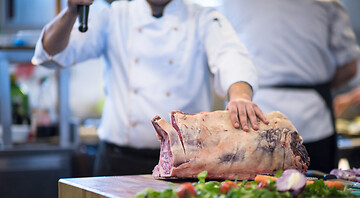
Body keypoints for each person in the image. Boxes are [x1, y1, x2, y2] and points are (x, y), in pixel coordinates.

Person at [32, 0, 268, 176]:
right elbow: (52, 53)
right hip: (117, 162)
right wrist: (71, 11)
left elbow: (231, 56)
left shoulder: (203, 17)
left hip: (186, 163)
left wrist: (240, 96)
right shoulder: (115, 16)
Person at [221, 0, 360, 173]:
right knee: (319, 194)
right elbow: (349, 66)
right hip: (311, 115)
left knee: (255, 194)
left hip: (254, 117)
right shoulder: (329, 2)